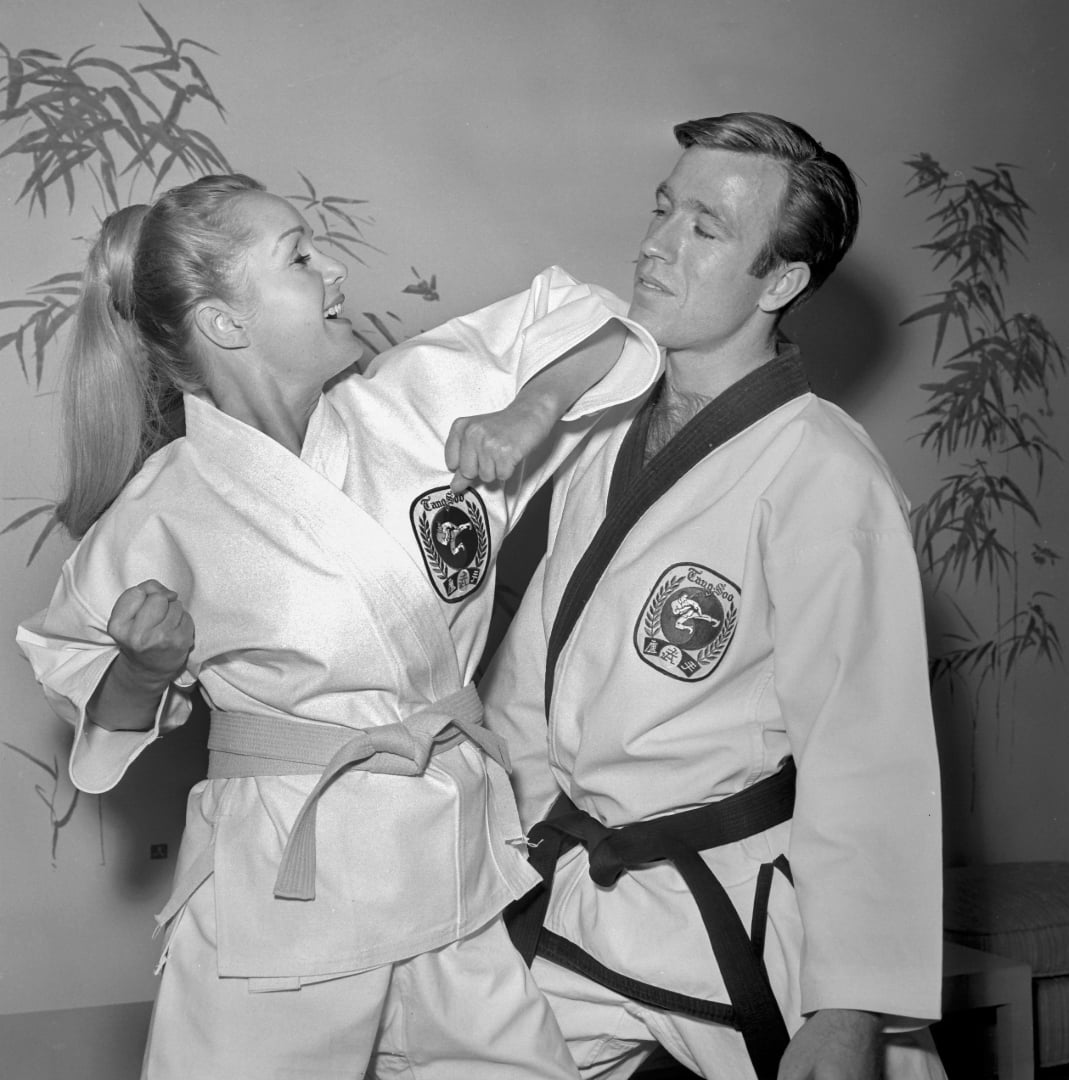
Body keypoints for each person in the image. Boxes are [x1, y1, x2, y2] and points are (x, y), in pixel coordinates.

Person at [15, 173, 663, 1079]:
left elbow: (587, 319)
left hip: (452, 860)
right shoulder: (161, 515)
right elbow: (91, 699)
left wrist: (532, 409)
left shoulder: (413, 402)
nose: (337, 274)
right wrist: (145, 669)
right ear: (226, 322)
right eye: (300, 257)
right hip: (286, 894)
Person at [481, 112, 946, 1080]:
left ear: (779, 282)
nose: (656, 244)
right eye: (663, 209)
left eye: (704, 226)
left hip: (730, 917)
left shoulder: (822, 472)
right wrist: (502, 863)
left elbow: (867, 758)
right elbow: (529, 687)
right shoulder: (600, 441)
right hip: (579, 903)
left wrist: (851, 1004)